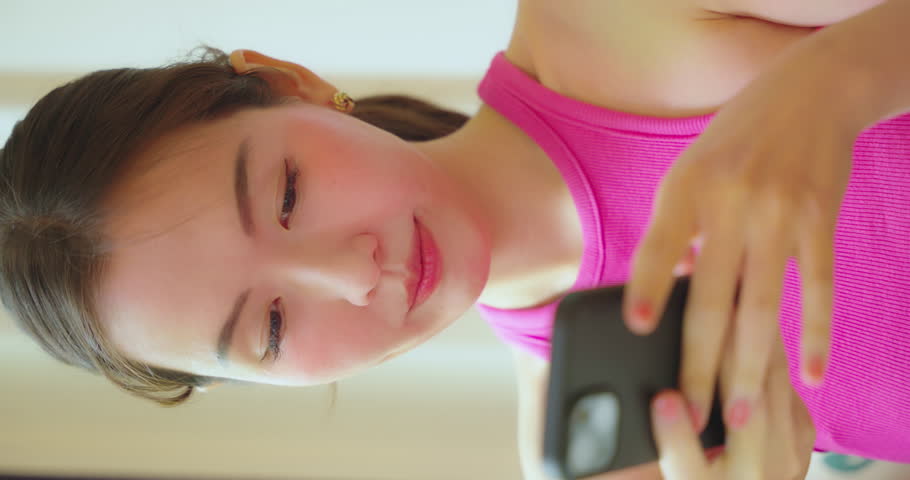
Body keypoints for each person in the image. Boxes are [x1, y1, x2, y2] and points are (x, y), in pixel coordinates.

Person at [3, 0, 910, 478]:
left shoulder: (607, 14)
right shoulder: (608, 454)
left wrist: (832, 87)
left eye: (285, 194)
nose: (352, 273)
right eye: (270, 327)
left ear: (292, 82)